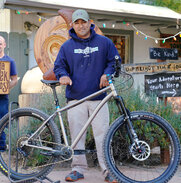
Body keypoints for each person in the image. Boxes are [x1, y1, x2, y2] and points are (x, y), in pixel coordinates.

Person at [54, 9, 120, 183]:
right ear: (72, 25)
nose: (81, 25)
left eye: (83, 22)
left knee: (103, 136)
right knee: (77, 137)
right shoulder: (67, 46)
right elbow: (59, 66)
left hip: (99, 97)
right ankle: (78, 169)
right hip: (75, 99)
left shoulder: (104, 42)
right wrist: (63, 76)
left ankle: (108, 170)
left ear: (90, 22)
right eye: (77, 23)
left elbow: (114, 60)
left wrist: (107, 73)